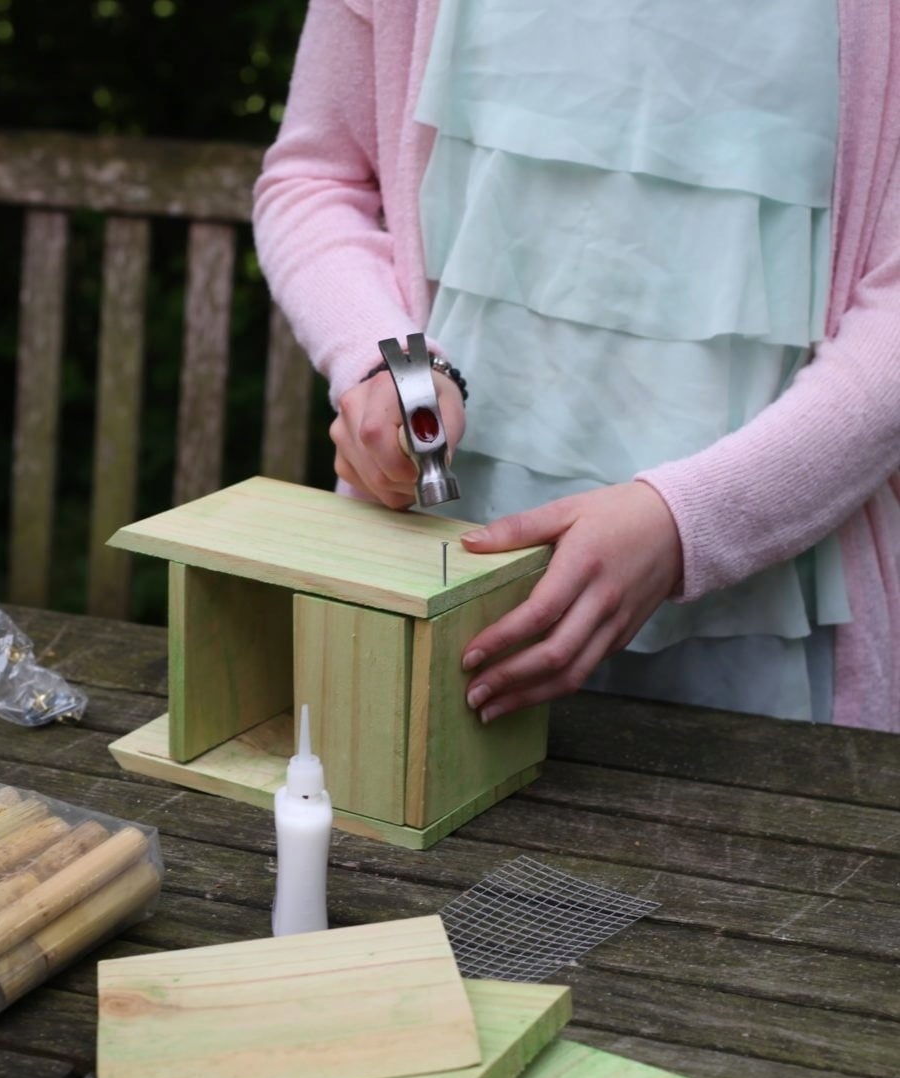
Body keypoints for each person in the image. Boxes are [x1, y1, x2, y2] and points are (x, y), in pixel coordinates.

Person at [253, 0, 900, 732]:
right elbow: (316, 179)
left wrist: (685, 524)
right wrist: (389, 364)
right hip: (420, 585)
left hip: (768, 646)